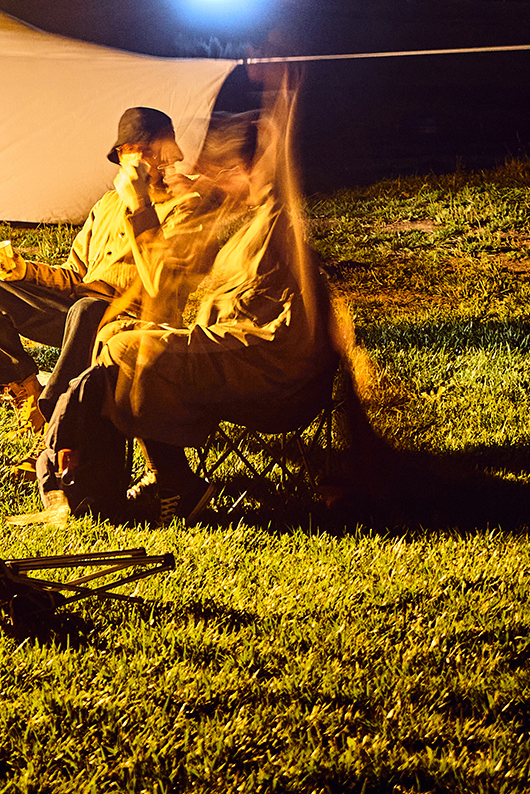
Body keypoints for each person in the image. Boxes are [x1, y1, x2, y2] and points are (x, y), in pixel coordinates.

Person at [34, 92, 359, 524]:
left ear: (247, 171)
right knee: (115, 335)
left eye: (221, 170)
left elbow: (170, 292)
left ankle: (163, 483)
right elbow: (167, 282)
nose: (204, 177)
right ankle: (112, 478)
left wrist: (140, 205)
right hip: (239, 349)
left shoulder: (270, 220)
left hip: (273, 369)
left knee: (130, 349)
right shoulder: (236, 216)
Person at [0, 106, 191, 417]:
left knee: (88, 308)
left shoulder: (183, 204)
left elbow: (163, 284)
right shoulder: (107, 203)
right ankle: (24, 390)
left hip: (132, 324)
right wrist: (24, 271)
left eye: (145, 150)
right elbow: (75, 275)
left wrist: (141, 205)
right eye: (128, 151)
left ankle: (57, 412)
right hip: (77, 316)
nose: (136, 160)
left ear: (166, 154)